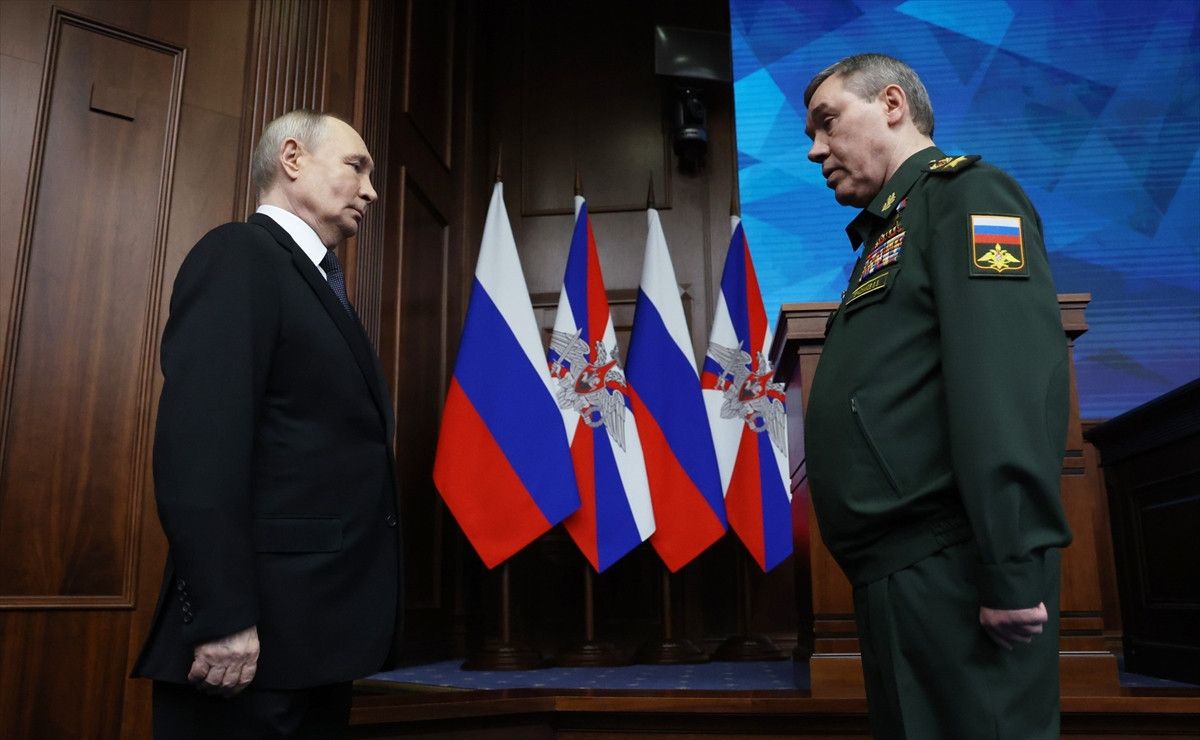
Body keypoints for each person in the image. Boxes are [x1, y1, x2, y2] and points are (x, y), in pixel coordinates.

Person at [801, 54, 1073, 739]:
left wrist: (1010, 566)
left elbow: (1005, 385)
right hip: (902, 570)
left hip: (954, 566)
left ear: (892, 105)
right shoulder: (894, 227)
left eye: (828, 122)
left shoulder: (969, 197)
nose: (815, 150)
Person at [133, 110, 401, 738]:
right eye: (356, 166)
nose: (371, 190)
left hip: (314, 635)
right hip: (249, 642)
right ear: (292, 157)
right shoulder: (240, 254)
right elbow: (199, 447)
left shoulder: (315, 280)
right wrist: (222, 615)